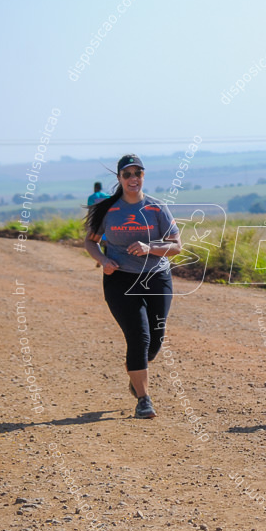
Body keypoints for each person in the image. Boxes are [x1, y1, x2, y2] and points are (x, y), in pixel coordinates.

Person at [84, 154, 181, 419]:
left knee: (155, 341)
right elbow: (90, 242)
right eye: (127, 174)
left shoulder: (157, 208)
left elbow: (176, 246)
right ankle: (143, 399)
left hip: (156, 277)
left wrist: (151, 248)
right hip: (120, 279)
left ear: (143, 177)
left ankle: (135, 371)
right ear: (119, 179)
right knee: (139, 337)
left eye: (137, 173)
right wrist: (103, 260)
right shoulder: (107, 209)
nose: (132, 179)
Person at [87, 182, 110, 267]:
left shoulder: (92, 197)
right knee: (106, 241)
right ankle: (106, 258)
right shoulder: (107, 196)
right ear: (101, 187)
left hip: (97, 221)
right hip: (107, 220)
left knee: (95, 240)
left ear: (94, 188)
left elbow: (90, 210)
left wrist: (88, 222)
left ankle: (100, 259)